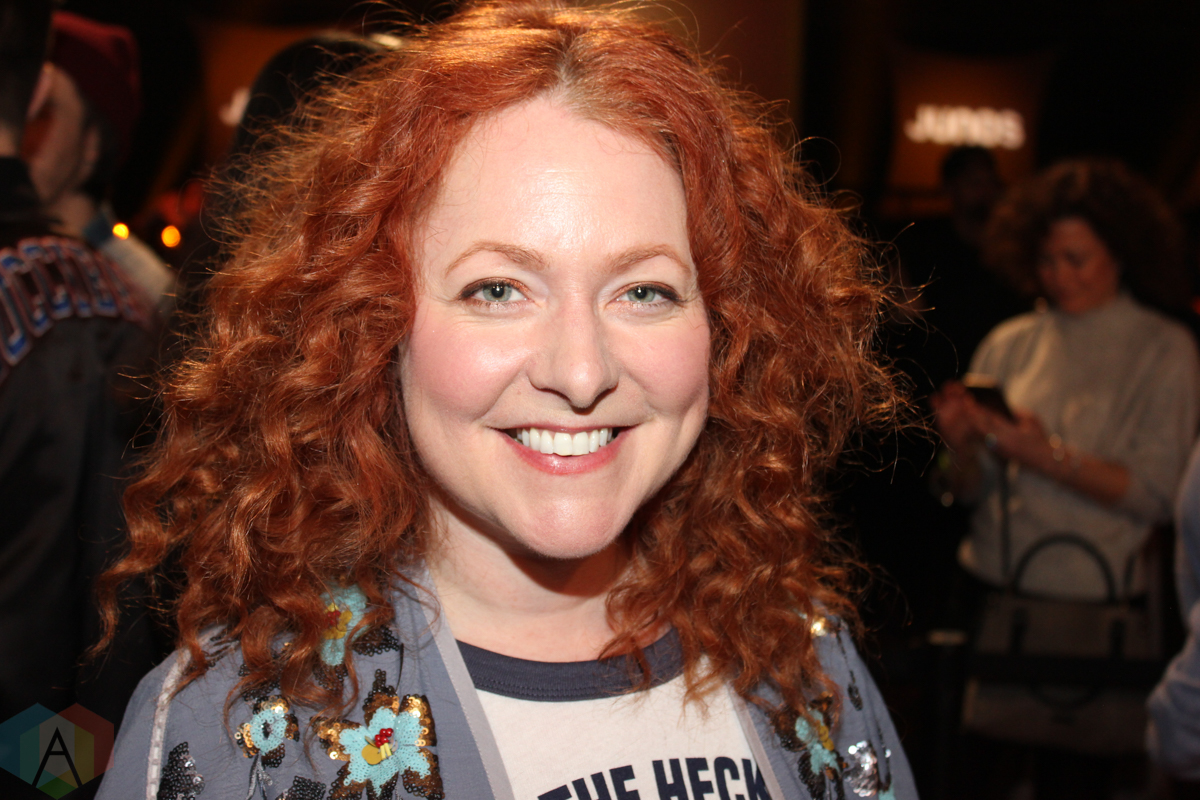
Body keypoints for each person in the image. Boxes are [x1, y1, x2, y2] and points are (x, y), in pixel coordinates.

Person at [94, 3, 915, 799]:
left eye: (645, 291)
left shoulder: (802, 660)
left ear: (727, 326)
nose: (581, 373)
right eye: (497, 289)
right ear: (373, 324)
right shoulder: (247, 738)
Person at [0, 0, 158, 779]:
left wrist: (52, 776)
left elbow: (113, 627)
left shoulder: (134, 301)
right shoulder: (112, 306)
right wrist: (53, 780)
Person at [934, 159, 1199, 600]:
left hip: (1095, 599)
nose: (1059, 276)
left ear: (1119, 254)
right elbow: (967, 490)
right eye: (1046, 260)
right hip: (990, 583)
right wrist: (957, 447)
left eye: (1076, 259)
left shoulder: (1164, 349)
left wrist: (1043, 455)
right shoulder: (1009, 342)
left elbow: (1159, 496)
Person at [22, 10, 174, 316]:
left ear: (93, 143)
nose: (21, 128)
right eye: (19, 107)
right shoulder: (16, 249)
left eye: (43, 112)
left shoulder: (146, 293)